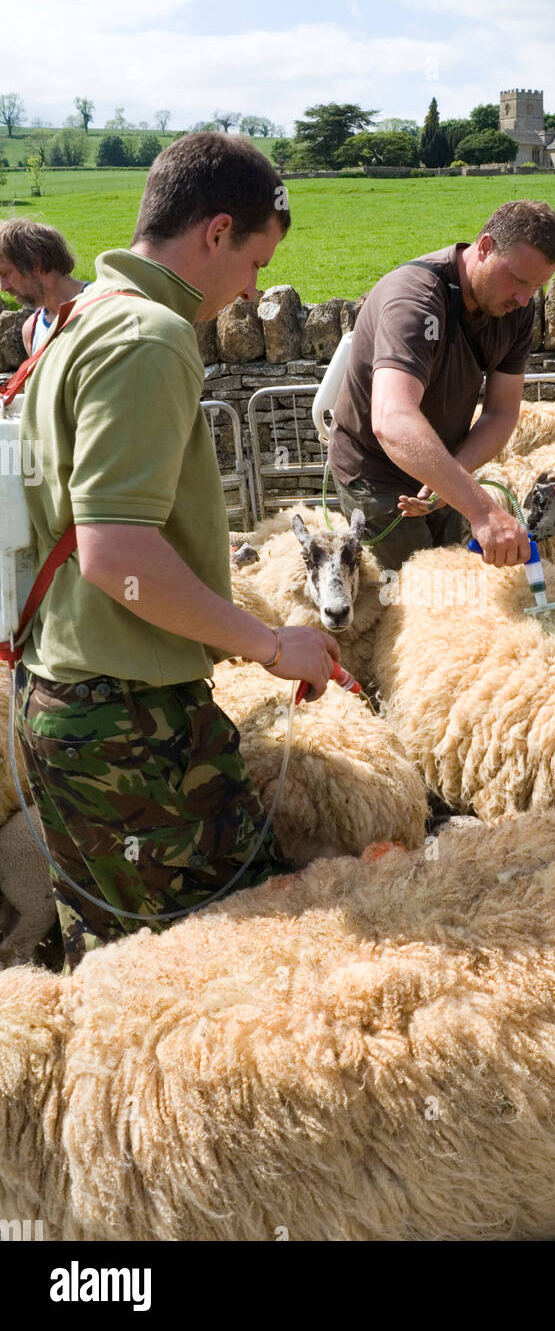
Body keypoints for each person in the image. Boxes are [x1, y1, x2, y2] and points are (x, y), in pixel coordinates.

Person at [13, 132, 338, 972]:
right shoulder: (150, 337)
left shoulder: (75, 319)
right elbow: (115, 551)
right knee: (235, 959)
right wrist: (271, 644)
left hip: (63, 699)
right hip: (126, 723)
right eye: (256, 262)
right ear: (217, 231)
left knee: (119, 968)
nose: (253, 289)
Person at [327, 199, 555, 570]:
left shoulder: (517, 309)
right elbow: (392, 419)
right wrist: (482, 510)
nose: (523, 299)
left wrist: (453, 478)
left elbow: (502, 412)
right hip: (376, 474)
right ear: (485, 247)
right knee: (419, 599)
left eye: (537, 286)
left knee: (457, 586)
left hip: (446, 470)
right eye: (518, 280)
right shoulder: (415, 301)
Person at [0, 219, 89, 352]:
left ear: (35, 263)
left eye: (5, 274)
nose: (3, 287)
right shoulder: (31, 331)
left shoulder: (106, 305)